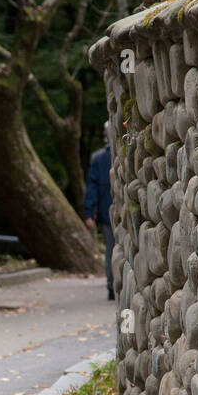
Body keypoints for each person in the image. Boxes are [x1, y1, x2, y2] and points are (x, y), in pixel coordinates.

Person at [83, 122, 115, 301]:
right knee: (113, 249)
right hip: (107, 211)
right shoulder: (100, 159)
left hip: (105, 211)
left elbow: (91, 187)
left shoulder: (98, 159)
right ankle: (113, 284)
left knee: (111, 249)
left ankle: (112, 285)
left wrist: (90, 212)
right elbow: (92, 187)